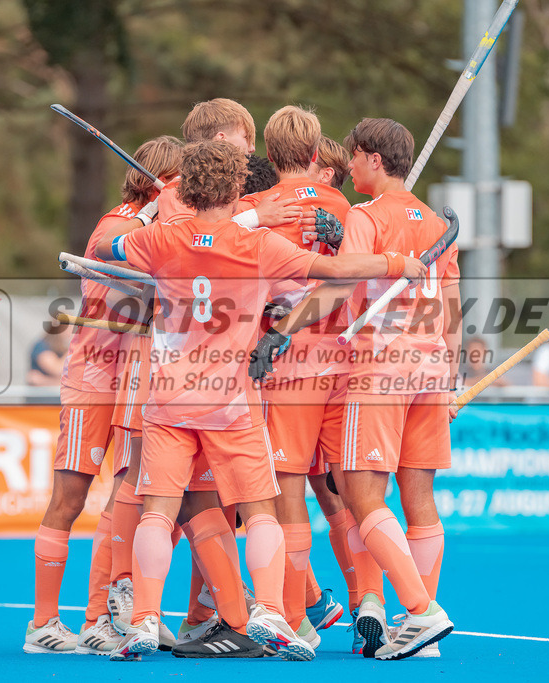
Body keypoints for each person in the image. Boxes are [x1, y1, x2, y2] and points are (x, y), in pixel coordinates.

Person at [95, 139, 428, 661]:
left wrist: (150, 214)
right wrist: (396, 262)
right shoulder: (258, 245)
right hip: (230, 401)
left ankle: (143, 619)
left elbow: (102, 248)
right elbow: (335, 272)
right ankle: (270, 611)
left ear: (188, 188)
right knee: (260, 510)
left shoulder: (158, 239)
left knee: (157, 512)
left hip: (168, 400)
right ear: (237, 188)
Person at [252, 117, 458, 660]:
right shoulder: (433, 221)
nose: (348, 164)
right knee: (417, 501)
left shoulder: (364, 215)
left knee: (358, 496)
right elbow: (452, 307)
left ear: (372, 158)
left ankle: (417, 611)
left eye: (354, 155)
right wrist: (451, 375)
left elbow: (338, 284)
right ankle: (408, 624)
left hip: (374, 369)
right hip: (430, 371)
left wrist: (281, 329)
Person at [23, 135, 183, 656]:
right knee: (69, 499)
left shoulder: (165, 227)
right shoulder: (118, 224)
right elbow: (115, 257)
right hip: (94, 380)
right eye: (181, 179)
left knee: (126, 498)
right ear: (160, 180)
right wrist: (157, 214)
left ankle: (99, 619)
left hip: (136, 380)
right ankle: (42, 624)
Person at [236, 105, 353, 647]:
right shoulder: (341, 205)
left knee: (285, 492)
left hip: (282, 363)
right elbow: (357, 277)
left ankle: (295, 616)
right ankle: (370, 607)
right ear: (313, 153)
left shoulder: (255, 208)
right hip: (343, 360)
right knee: (349, 492)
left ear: (268, 151)